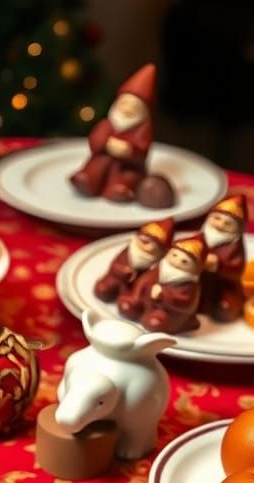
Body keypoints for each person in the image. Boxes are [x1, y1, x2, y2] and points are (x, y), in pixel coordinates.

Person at [70, 63, 156, 203]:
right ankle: (87, 180)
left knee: (128, 176)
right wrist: (105, 143)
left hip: (127, 166)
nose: (127, 109)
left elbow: (142, 151)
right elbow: (94, 140)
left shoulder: (142, 130)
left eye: (134, 107)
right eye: (124, 104)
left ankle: (120, 189)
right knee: (97, 166)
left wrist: (129, 151)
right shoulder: (107, 124)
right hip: (103, 158)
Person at [131, 235, 207, 334]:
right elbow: (145, 279)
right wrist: (139, 293)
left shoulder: (189, 283)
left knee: (155, 323)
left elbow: (186, 302)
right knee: (130, 308)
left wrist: (163, 294)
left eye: (185, 261)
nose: (178, 261)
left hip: (168, 313)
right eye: (174, 255)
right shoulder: (161, 267)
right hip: (147, 302)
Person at [94, 217, 174, 302]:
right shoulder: (131, 251)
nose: (142, 245)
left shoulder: (160, 261)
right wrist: (124, 270)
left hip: (139, 287)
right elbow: (116, 264)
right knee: (104, 289)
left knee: (135, 300)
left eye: (147, 242)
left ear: (160, 248)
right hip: (119, 279)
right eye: (141, 240)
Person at [200, 194, 248, 322]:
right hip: (197, 284)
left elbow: (237, 268)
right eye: (217, 218)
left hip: (223, 287)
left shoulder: (234, 246)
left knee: (225, 310)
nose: (221, 224)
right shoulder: (199, 239)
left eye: (228, 223)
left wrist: (219, 265)